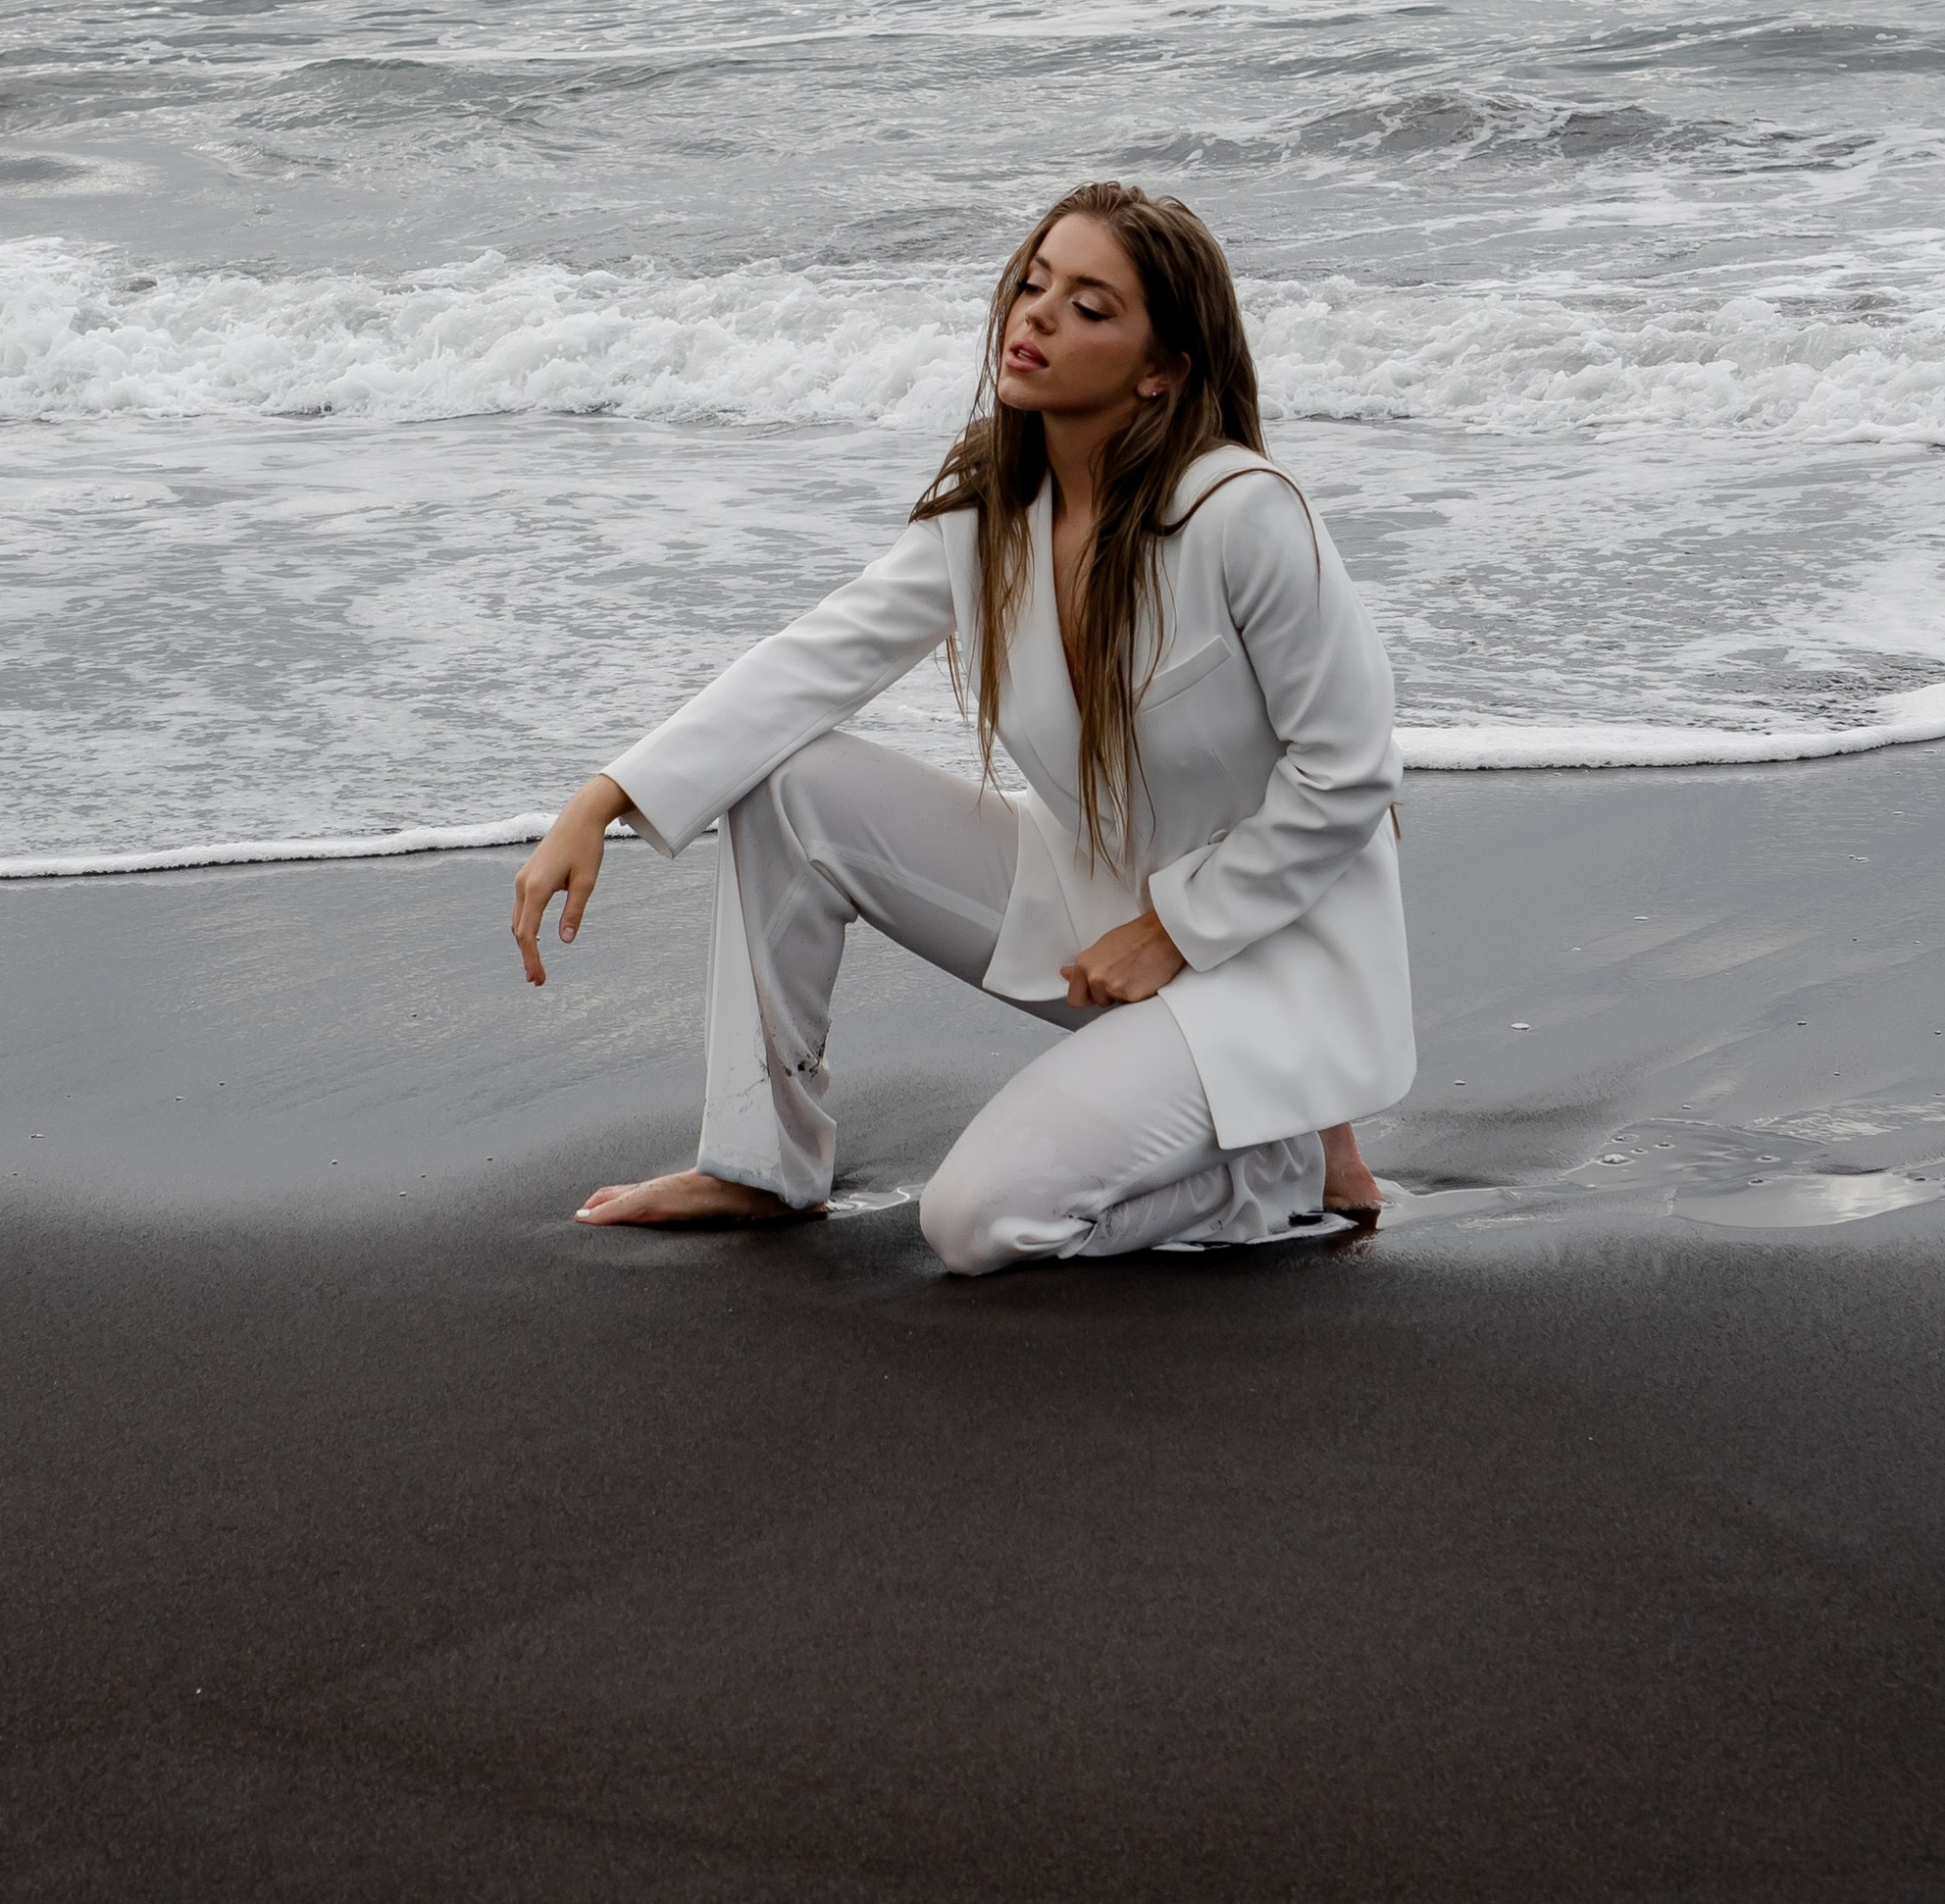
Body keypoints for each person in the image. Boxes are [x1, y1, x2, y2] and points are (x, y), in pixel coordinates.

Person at [511, 181, 1411, 1275]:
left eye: (1090, 307)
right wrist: (604, 797)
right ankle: (761, 1165)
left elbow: (1349, 771)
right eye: (1034, 284)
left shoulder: (1244, 513)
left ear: (1162, 368)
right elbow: (811, 662)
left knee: (978, 1223)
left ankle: (1280, 1166)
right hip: (1098, 910)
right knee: (789, 783)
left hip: (1268, 966)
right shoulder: (995, 514)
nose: (1037, 316)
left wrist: (1174, 930)